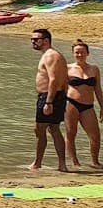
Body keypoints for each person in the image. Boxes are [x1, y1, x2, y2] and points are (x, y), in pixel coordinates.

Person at [31, 27, 71, 172]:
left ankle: (37, 163)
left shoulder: (50, 56)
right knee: (54, 128)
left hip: (49, 96)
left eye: (36, 39)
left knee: (40, 129)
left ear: (46, 41)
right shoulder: (53, 55)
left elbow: (54, 80)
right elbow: (65, 79)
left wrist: (48, 102)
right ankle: (62, 165)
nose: (33, 42)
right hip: (56, 96)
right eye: (32, 39)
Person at [65, 40, 102, 169]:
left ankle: (95, 162)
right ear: (73, 54)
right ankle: (75, 163)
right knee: (71, 133)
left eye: (82, 52)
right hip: (71, 104)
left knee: (95, 136)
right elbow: (59, 88)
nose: (80, 55)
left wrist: (102, 107)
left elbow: (98, 89)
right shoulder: (67, 68)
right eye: (77, 52)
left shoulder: (94, 69)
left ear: (87, 53)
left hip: (88, 106)